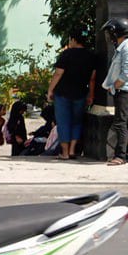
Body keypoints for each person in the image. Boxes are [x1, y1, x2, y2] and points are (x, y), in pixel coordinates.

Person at [47, 32, 97, 160]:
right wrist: (91, 94)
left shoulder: (66, 54)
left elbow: (58, 73)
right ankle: (72, 150)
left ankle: (64, 152)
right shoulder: (91, 56)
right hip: (80, 93)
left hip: (63, 93)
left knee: (63, 122)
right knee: (76, 122)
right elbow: (92, 78)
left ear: (74, 40)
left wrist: (50, 90)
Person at [102, 17, 128, 166]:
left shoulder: (126, 47)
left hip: (124, 90)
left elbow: (126, 72)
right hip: (122, 90)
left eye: (110, 33)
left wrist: (116, 86)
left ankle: (120, 156)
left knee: (121, 123)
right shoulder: (122, 47)